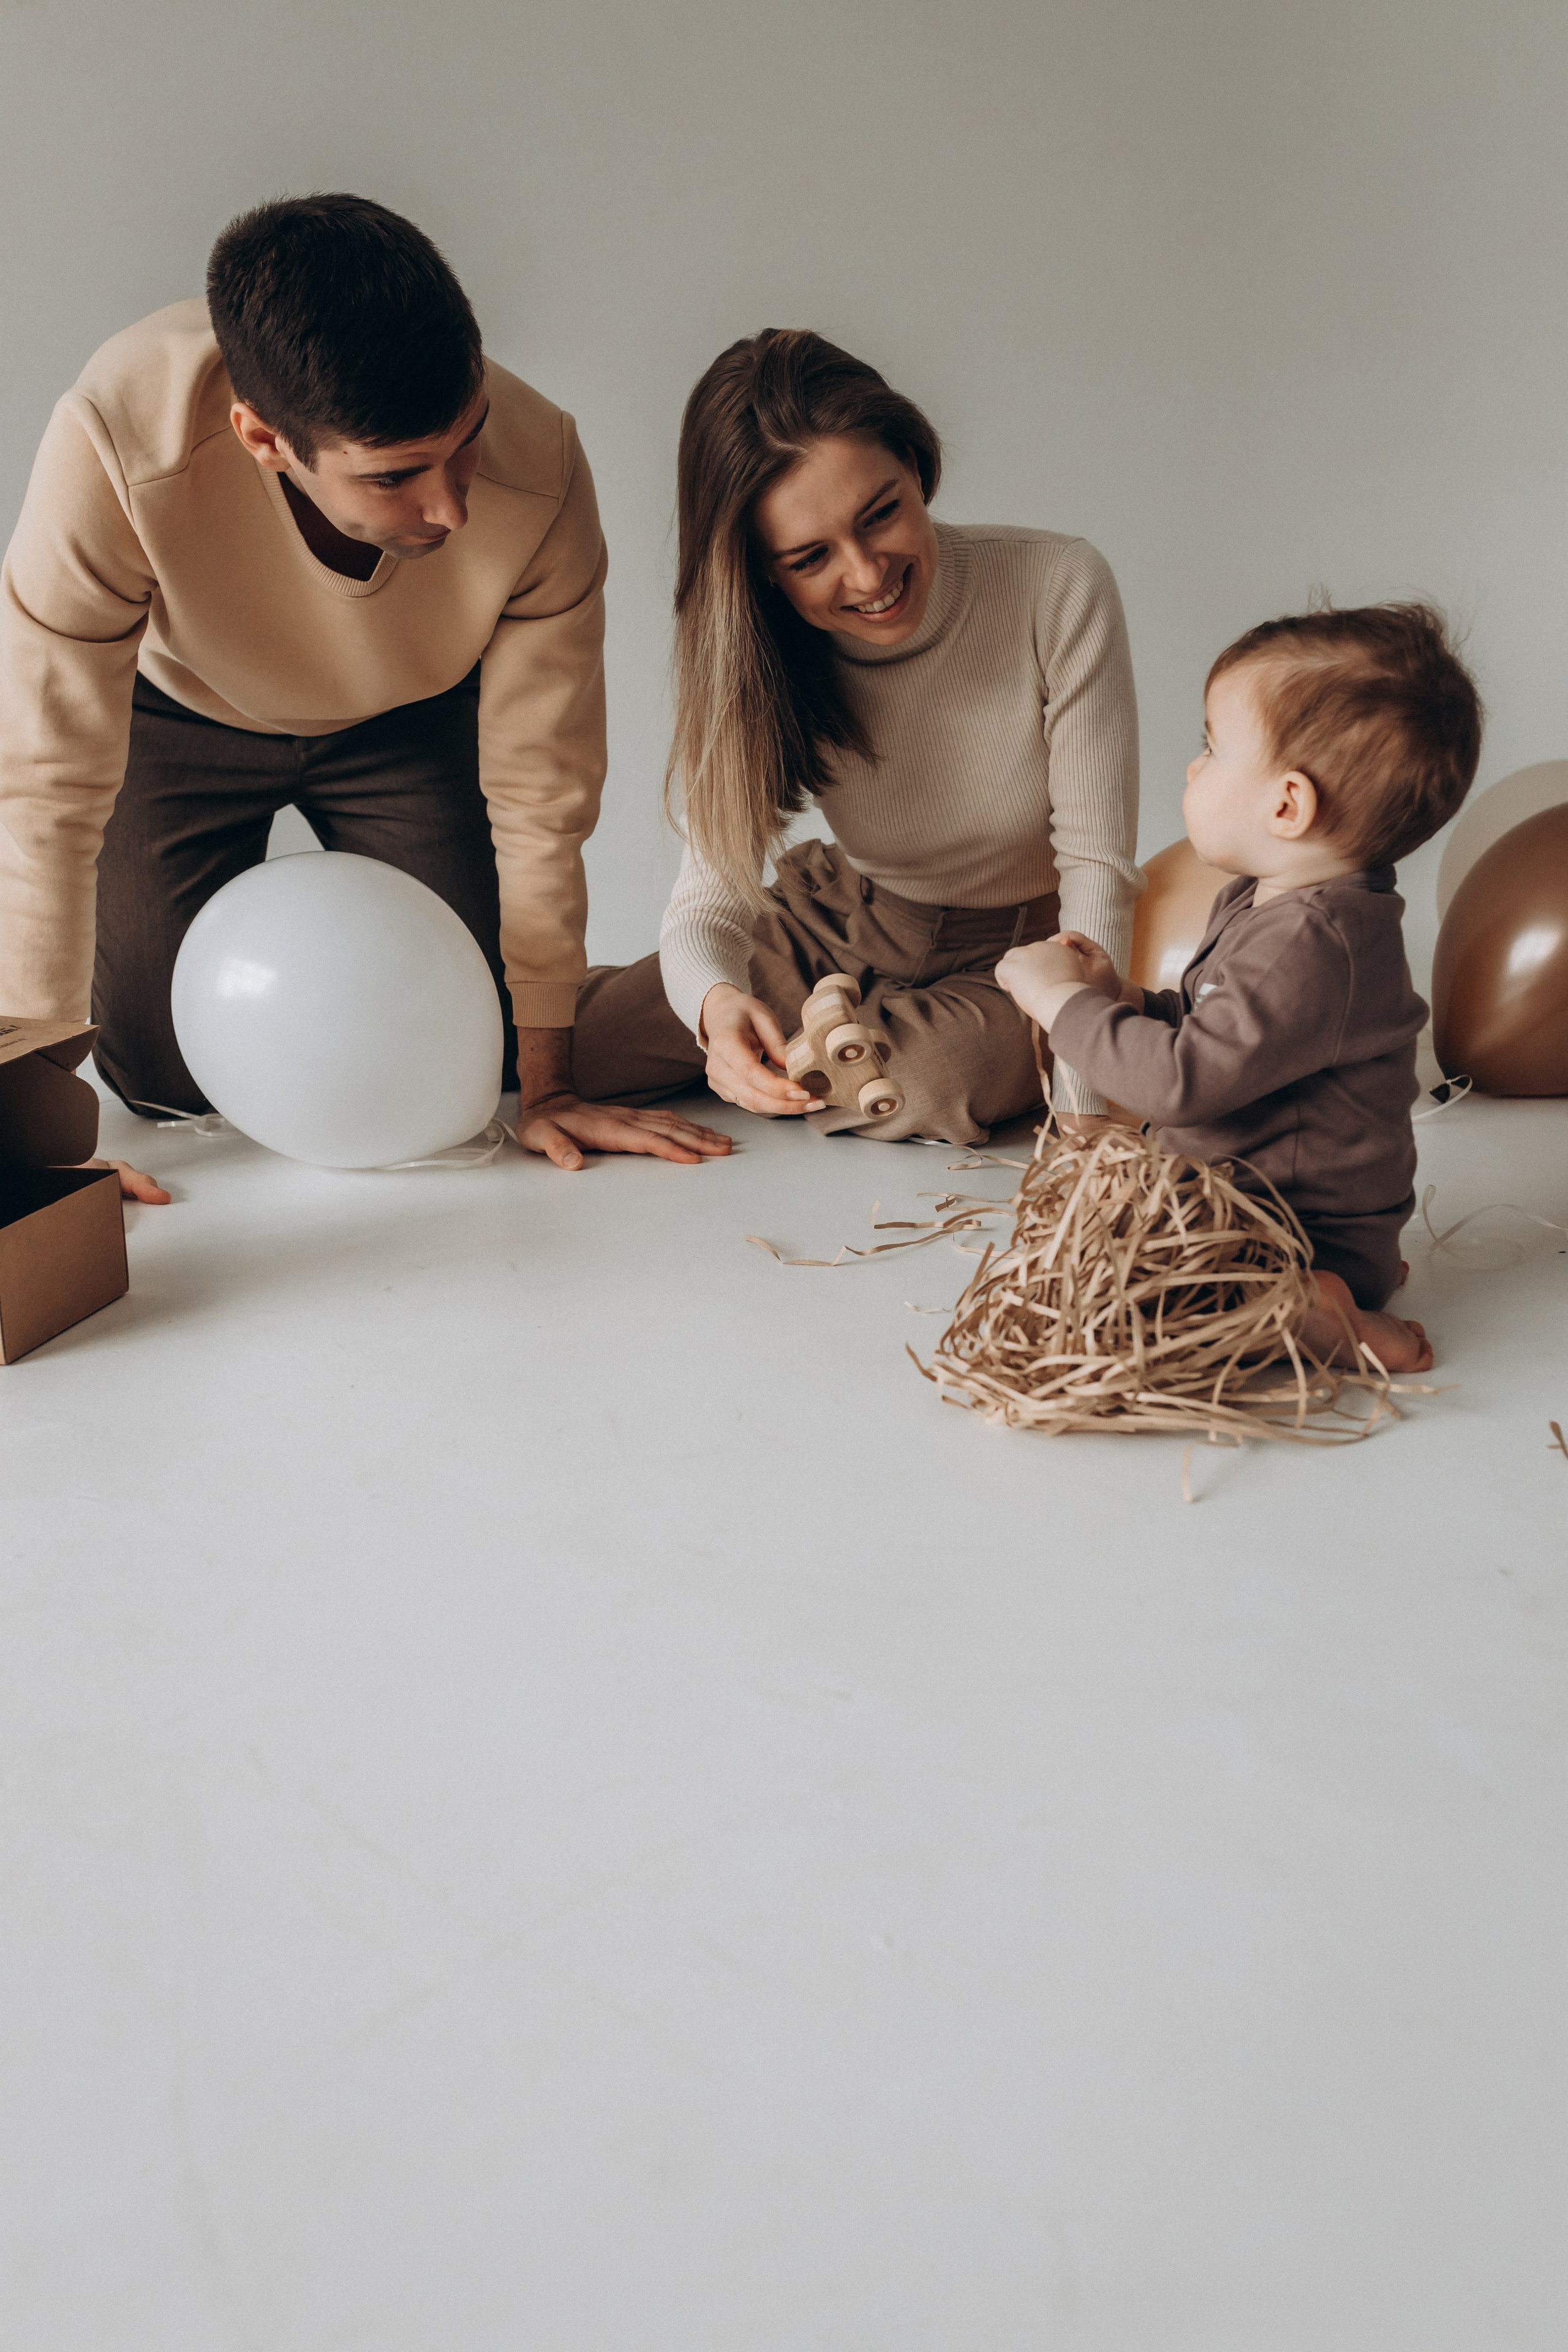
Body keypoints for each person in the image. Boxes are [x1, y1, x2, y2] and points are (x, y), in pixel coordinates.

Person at [0, 194, 729, 1199]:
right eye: (394, 477)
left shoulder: (543, 467)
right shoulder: (117, 444)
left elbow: (543, 794)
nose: (451, 505)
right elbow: (43, 789)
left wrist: (545, 1086)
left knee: (483, 1050)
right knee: (165, 1080)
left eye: (464, 443)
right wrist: (34, 1145)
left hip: (412, 718)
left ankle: (700, 988)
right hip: (177, 719)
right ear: (263, 439)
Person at [570, 330, 1142, 1145]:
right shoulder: (756, 649)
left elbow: (1096, 869)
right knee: (561, 1051)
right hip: (839, 923)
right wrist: (714, 1011)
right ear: (761, 571)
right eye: (811, 558)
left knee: (932, 1078)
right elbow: (711, 897)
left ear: (914, 465)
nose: (870, 576)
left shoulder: (1057, 586)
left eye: (882, 514)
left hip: (1018, 957)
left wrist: (1089, 1113)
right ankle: (819, 1036)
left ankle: (830, 1041)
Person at [995, 601, 1484, 1374]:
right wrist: (1121, 996)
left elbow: (1182, 1083)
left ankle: (1322, 1315)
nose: (1194, 768)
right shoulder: (1272, 901)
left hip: (1279, 1234)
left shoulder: (1311, 943)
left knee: (1133, 1311)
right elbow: (1210, 1030)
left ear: (1286, 806)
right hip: (1257, 1205)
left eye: (1212, 749)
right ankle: (1336, 1280)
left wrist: (1061, 1004)